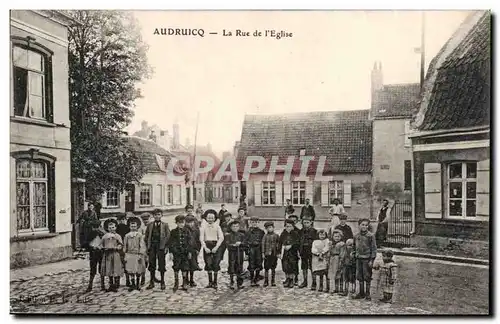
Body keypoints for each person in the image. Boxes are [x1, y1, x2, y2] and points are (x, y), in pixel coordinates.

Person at [144, 208, 170, 290]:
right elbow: (146, 236)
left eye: (159, 214)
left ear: (162, 215)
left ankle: (162, 281)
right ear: (153, 216)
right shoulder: (150, 225)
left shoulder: (165, 225)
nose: (157, 216)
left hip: (161, 247)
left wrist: (166, 247)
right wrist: (147, 246)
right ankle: (152, 282)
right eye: (155, 215)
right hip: (152, 246)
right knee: (152, 264)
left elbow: (168, 236)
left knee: (162, 264)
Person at [168, 215, 194, 292]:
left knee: (185, 267)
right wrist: (171, 252)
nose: (181, 224)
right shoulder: (173, 232)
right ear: (176, 223)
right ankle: (176, 282)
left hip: (185, 253)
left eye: (183, 223)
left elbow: (190, 242)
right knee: (176, 267)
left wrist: (189, 251)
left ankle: (184, 282)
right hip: (176, 253)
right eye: (179, 223)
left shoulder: (187, 231)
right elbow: (171, 242)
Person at [353, 218, 377, 300]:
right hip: (358, 259)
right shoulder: (356, 236)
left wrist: (371, 260)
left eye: (366, 225)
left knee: (367, 276)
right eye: (362, 225)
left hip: (367, 259)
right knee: (360, 276)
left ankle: (367, 293)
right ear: (359, 225)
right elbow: (354, 247)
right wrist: (353, 254)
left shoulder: (370, 236)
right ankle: (361, 293)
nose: (364, 226)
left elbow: (373, 249)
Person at [200, 209, 224, 289]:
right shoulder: (203, 227)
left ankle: (215, 282)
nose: (210, 219)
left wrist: (216, 247)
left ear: (215, 218)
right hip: (207, 245)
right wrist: (205, 247)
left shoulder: (217, 227)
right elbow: (201, 239)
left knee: (216, 263)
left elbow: (221, 238)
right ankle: (210, 282)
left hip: (216, 246)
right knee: (208, 263)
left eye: (212, 218)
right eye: (209, 218)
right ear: (206, 218)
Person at [99, 219, 124, 292]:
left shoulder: (117, 236)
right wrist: (103, 248)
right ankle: (111, 284)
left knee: (115, 267)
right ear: (107, 228)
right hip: (107, 254)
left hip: (115, 253)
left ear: (115, 227)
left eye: (113, 227)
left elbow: (121, 244)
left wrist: (118, 247)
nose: (111, 229)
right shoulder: (105, 236)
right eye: (110, 228)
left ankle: (116, 284)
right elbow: (101, 244)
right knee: (109, 268)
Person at [123, 217, 146, 292]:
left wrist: (140, 253)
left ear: (137, 227)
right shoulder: (127, 235)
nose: (133, 228)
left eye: (134, 226)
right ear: (129, 227)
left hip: (137, 254)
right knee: (131, 269)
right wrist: (125, 253)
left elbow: (142, 245)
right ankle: (132, 284)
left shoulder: (139, 235)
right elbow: (125, 245)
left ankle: (137, 284)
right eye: (131, 226)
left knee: (138, 269)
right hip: (130, 254)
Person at [84, 218, 106, 292]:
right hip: (93, 252)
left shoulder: (102, 234)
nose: (95, 229)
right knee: (93, 269)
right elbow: (86, 244)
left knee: (101, 269)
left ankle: (102, 285)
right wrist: (91, 247)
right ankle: (90, 286)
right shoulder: (90, 234)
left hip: (101, 252)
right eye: (94, 227)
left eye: (97, 227)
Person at [244, 216, 265, 287]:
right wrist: (246, 252)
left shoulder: (261, 232)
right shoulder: (247, 231)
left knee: (259, 263)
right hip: (251, 249)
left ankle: (257, 278)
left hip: (259, 249)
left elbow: (263, 242)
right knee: (251, 263)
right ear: (250, 223)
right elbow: (245, 242)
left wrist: (263, 252)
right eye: (252, 222)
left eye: (256, 222)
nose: (254, 224)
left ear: (258, 222)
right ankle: (252, 279)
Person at [225, 220, 246, 290]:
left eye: (237, 226)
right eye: (233, 226)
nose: (235, 228)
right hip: (232, 253)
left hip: (240, 253)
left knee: (239, 266)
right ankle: (231, 282)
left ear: (239, 227)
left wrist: (241, 244)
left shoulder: (242, 235)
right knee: (232, 266)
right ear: (231, 227)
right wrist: (233, 245)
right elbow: (227, 244)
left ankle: (239, 283)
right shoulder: (228, 235)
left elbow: (245, 244)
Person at [298, 216, 317, 289]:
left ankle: (314, 283)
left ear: (311, 223)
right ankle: (305, 281)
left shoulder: (314, 231)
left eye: (307, 222)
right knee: (304, 267)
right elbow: (299, 241)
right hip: (303, 251)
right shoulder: (301, 231)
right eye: (304, 222)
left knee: (312, 267)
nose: (306, 224)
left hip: (311, 251)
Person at [280, 219, 300, 288]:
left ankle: (292, 280)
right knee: (285, 266)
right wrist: (280, 251)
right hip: (285, 253)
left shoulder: (295, 234)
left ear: (293, 227)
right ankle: (287, 279)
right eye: (286, 226)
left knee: (292, 266)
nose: (288, 228)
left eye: (290, 226)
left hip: (293, 253)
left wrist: (291, 245)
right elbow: (280, 242)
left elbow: (298, 243)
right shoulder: (283, 234)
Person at [261, 221, 280, 287]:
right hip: (267, 254)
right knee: (266, 267)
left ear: (273, 228)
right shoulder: (265, 236)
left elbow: (279, 244)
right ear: (266, 229)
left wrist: (278, 252)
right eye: (268, 228)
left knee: (273, 267)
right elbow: (263, 245)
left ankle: (273, 281)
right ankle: (266, 281)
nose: (270, 229)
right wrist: (263, 253)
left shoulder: (276, 236)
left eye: (271, 227)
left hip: (274, 254)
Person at [185, 215, 202, 286]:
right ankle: (186, 279)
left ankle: (191, 280)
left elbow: (198, 241)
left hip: (193, 250)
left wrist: (198, 249)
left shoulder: (196, 230)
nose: (190, 224)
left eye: (192, 222)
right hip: (186, 250)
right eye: (188, 222)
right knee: (186, 265)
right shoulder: (184, 230)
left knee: (192, 265)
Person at [328, 229, 345, 295]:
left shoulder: (342, 244)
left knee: (339, 274)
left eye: (338, 236)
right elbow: (329, 252)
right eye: (335, 236)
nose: (337, 238)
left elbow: (342, 253)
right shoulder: (331, 244)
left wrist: (341, 260)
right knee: (334, 274)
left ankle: (341, 289)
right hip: (332, 259)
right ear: (333, 237)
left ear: (341, 237)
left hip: (338, 259)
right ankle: (335, 288)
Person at [116, 214, 131, 287]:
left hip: (125, 248)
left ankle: (128, 280)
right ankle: (117, 281)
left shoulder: (128, 228)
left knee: (126, 264)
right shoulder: (116, 229)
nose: (121, 221)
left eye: (123, 219)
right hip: (118, 249)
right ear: (118, 221)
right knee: (118, 265)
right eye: (120, 220)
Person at [286, 214, 301, 286]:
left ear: (297, 221)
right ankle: (288, 278)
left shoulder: (298, 231)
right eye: (292, 221)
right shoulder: (286, 230)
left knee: (295, 264)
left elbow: (299, 241)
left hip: (294, 250)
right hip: (287, 250)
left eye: (295, 221)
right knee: (287, 264)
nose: (293, 222)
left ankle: (296, 279)